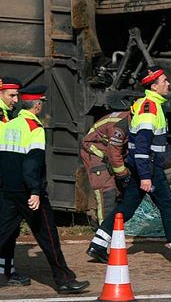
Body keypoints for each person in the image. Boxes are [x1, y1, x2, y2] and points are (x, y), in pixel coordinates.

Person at [87, 66, 171, 264]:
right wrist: (145, 176)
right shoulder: (150, 110)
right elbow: (142, 148)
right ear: (154, 86)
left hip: (144, 168)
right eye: (164, 81)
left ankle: (98, 244)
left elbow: (157, 142)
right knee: (169, 208)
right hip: (150, 169)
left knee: (126, 208)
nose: (168, 83)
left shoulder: (150, 105)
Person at [0, 85, 89, 294]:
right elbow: (33, 164)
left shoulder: (9, 125)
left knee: (3, 233)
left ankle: (64, 277)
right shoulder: (35, 128)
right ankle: (64, 280)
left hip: (7, 191)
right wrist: (35, 191)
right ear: (37, 105)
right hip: (27, 193)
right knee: (48, 236)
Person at [79, 110, 132, 226]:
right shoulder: (119, 125)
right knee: (106, 190)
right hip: (95, 151)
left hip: (110, 151)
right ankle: (104, 230)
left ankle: (101, 221)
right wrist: (123, 174)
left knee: (117, 190)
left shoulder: (134, 120)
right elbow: (114, 152)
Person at [0, 77, 29, 287]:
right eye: (12, 95)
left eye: (17, 95)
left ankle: (6, 270)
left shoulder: (7, 115)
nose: (16, 100)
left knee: (9, 228)